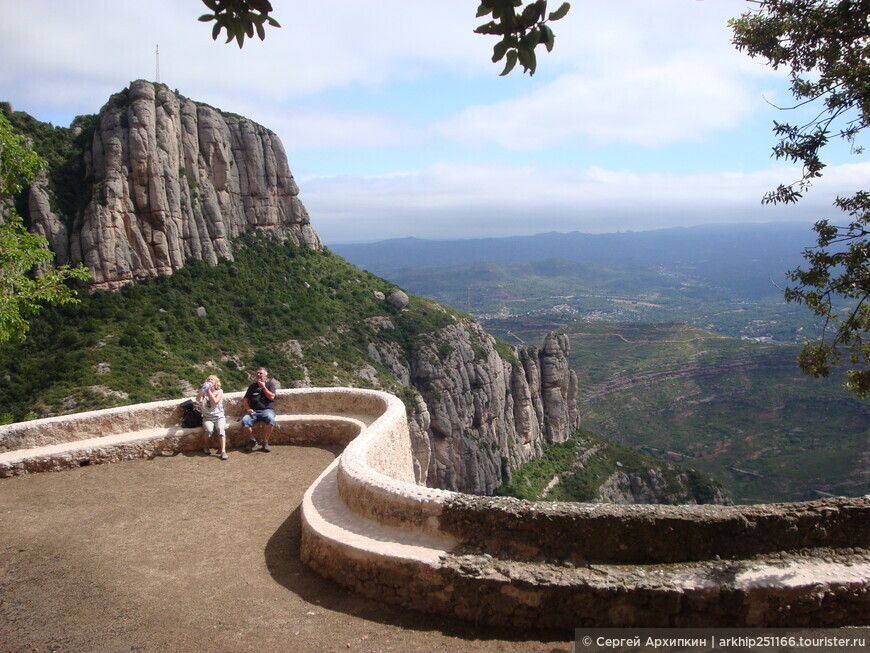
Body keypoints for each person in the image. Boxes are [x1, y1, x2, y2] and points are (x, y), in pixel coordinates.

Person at [241, 367, 277, 452]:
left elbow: (272, 397)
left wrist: (263, 387)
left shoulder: (270, 385)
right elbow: (245, 399)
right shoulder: (252, 386)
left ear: (265, 376)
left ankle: (265, 442)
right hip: (254, 411)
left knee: (271, 419)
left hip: (267, 410)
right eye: (257, 373)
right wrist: (248, 409)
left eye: (261, 373)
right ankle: (252, 441)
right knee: (244, 421)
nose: (258, 375)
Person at [197, 375, 228, 460]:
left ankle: (223, 451)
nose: (210, 381)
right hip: (207, 418)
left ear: (215, 383)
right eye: (209, 379)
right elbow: (198, 399)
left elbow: (215, 401)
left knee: (221, 429)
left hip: (219, 417)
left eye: (212, 380)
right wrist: (202, 389)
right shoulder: (204, 392)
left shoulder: (220, 391)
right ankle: (206, 447)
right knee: (209, 430)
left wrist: (209, 391)